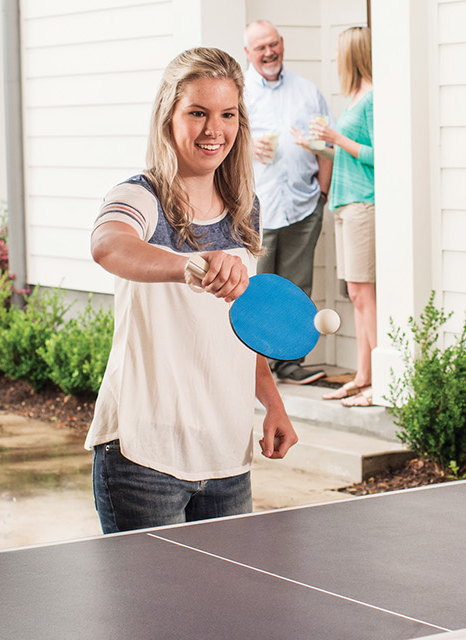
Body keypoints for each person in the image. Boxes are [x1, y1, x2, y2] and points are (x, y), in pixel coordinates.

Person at [86, 47, 300, 533]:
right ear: (169, 117)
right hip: (143, 455)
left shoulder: (245, 208)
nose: (213, 130)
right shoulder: (139, 196)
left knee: (226, 587)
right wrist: (190, 266)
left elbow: (242, 326)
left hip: (226, 454)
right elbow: (108, 244)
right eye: (197, 113)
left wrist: (272, 402)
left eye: (227, 114)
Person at [244, 19, 332, 385]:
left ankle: (291, 363)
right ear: (247, 53)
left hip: (303, 205)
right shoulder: (238, 94)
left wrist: (322, 195)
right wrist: (246, 146)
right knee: (256, 292)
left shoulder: (308, 91)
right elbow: (218, 143)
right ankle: (255, 369)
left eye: (273, 44)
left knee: (297, 291)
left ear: (282, 43)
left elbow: (326, 145)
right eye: (260, 48)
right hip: (256, 211)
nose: (269, 53)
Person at [305, 27, 377, 407]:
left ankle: (380, 382)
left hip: (364, 203)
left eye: (338, 51)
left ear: (352, 54)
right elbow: (349, 155)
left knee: (363, 294)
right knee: (356, 294)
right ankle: (363, 376)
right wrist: (317, 147)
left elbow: (379, 155)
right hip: (345, 203)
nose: (334, 58)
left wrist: (336, 138)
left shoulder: (372, 99)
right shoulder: (353, 99)